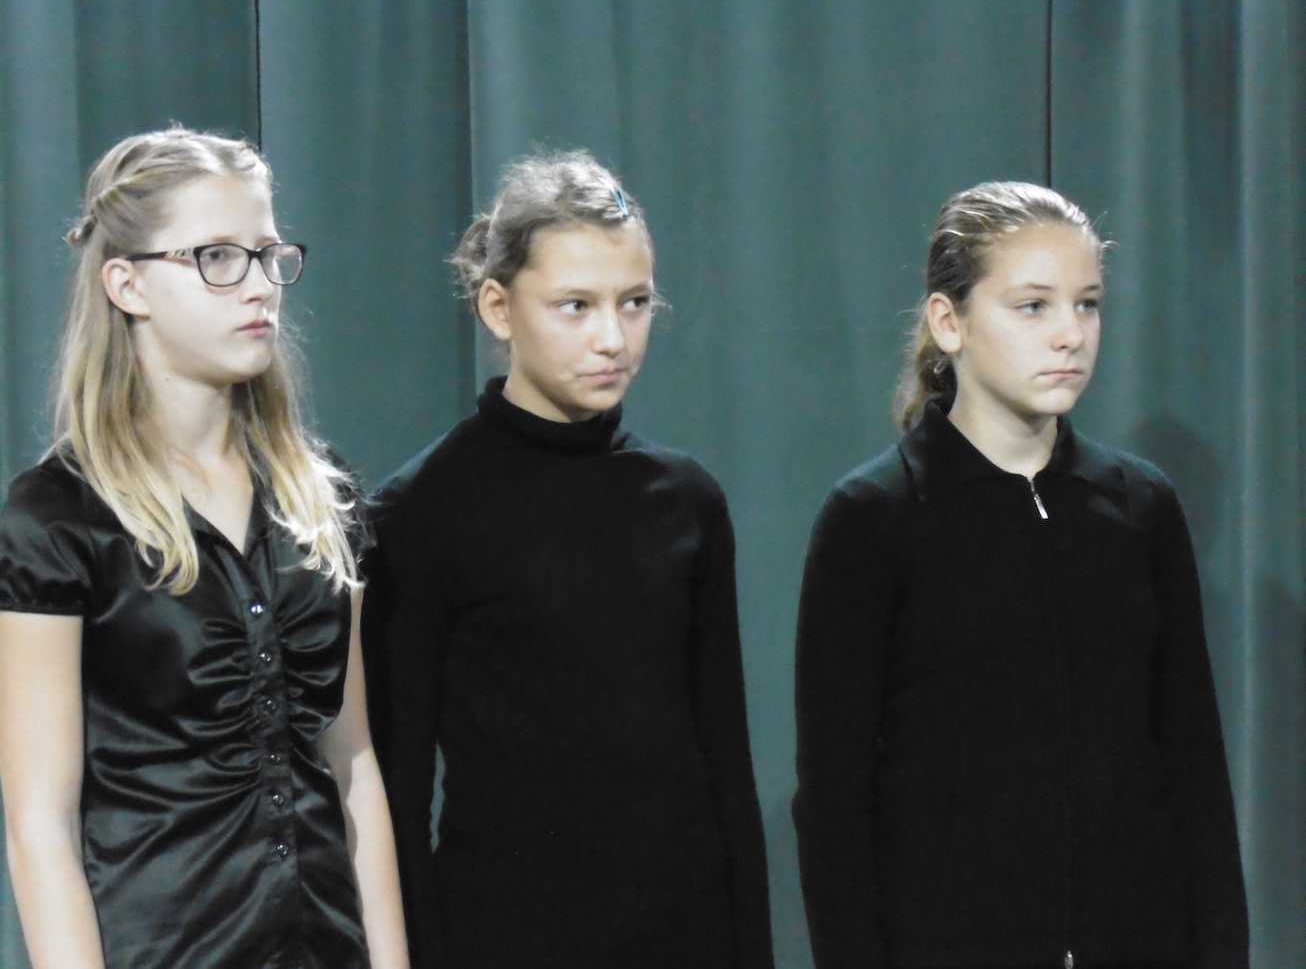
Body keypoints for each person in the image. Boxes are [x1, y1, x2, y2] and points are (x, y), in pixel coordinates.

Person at [793, 181, 1249, 969]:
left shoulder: (1140, 508)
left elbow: (1194, 769)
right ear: (949, 321)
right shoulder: (874, 518)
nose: (1070, 333)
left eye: (1088, 304)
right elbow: (835, 802)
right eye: (1033, 306)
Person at [0, 127, 408, 969]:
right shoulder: (58, 518)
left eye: (268, 255)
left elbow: (352, 762)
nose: (258, 285)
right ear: (128, 284)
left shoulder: (320, 494)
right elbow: (40, 824)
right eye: (218, 257)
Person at [362, 151, 774, 968]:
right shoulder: (422, 511)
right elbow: (398, 789)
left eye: (635, 302)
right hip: (504, 940)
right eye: (575, 306)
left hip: (684, 938)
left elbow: (727, 765)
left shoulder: (686, 501)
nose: (612, 337)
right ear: (499, 306)